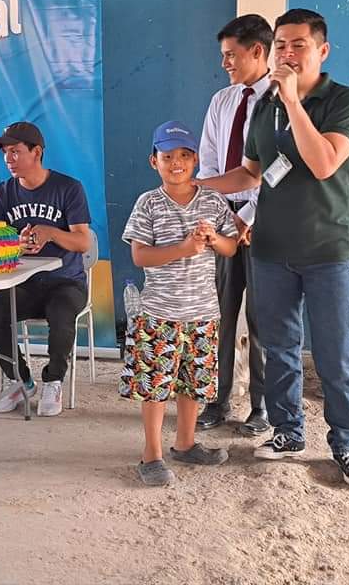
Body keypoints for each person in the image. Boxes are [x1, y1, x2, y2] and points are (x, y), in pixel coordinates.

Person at [195, 8, 349, 487]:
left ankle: (348, 444)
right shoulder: (265, 105)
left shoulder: (345, 101)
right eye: (281, 45)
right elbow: (251, 173)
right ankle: (287, 431)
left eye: (299, 45)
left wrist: (293, 101)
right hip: (270, 249)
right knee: (278, 348)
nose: (288, 54)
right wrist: (194, 187)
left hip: (326, 249)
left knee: (336, 352)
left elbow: (323, 163)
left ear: (322, 50)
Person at [121, 120, 238, 486]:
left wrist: (214, 239)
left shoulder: (213, 200)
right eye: (167, 156)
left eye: (185, 156)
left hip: (203, 312)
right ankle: (151, 455)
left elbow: (231, 247)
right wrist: (184, 249)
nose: (177, 163)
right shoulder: (148, 203)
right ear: (153, 161)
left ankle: (186, 443)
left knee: (193, 383)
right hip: (159, 313)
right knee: (156, 386)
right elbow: (140, 256)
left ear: (196, 160)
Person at [196, 14, 273, 436]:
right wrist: (224, 218)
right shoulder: (222, 101)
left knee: (261, 320)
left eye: (231, 55)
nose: (225, 63)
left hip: (266, 227)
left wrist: (247, 217)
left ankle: (261, 407)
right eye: (223, 55)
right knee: (221, 316)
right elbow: (209, 163)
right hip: (222, 226)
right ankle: (217, 399)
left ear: (257, 51)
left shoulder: (281, 102)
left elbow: (277, 170)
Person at [0, 121, 92, 417]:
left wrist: (51, 233)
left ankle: (53, 381)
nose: (9, 159)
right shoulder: (1, 194)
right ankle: (20, 381)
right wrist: (15, 245)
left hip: (66, 281)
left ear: (37, 152)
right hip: (23, 282)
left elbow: (83, 241)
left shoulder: (68, 188)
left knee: (61, 314)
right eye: (5, 153)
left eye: (15, 151)